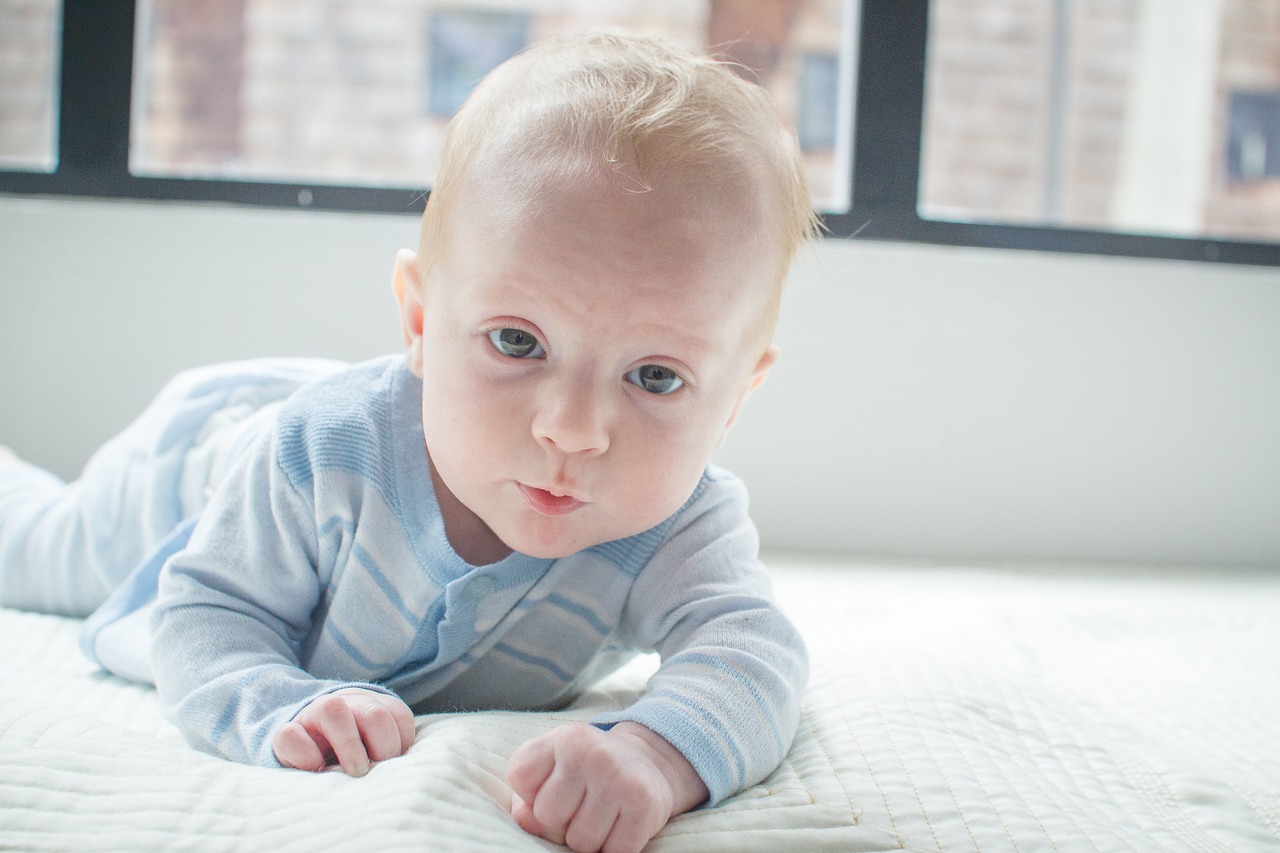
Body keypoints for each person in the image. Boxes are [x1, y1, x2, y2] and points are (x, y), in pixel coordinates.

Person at [0, 30, 816, 853]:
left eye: (655, 378)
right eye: (516, 342)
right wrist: (277, 701)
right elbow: (208, 611)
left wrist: (655, 752)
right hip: (190, 485)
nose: (570, 429)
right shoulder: (319, 455)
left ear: (737, 395)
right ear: (422, 322)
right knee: (32, 544)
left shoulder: (678, 523)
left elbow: (752, 654)